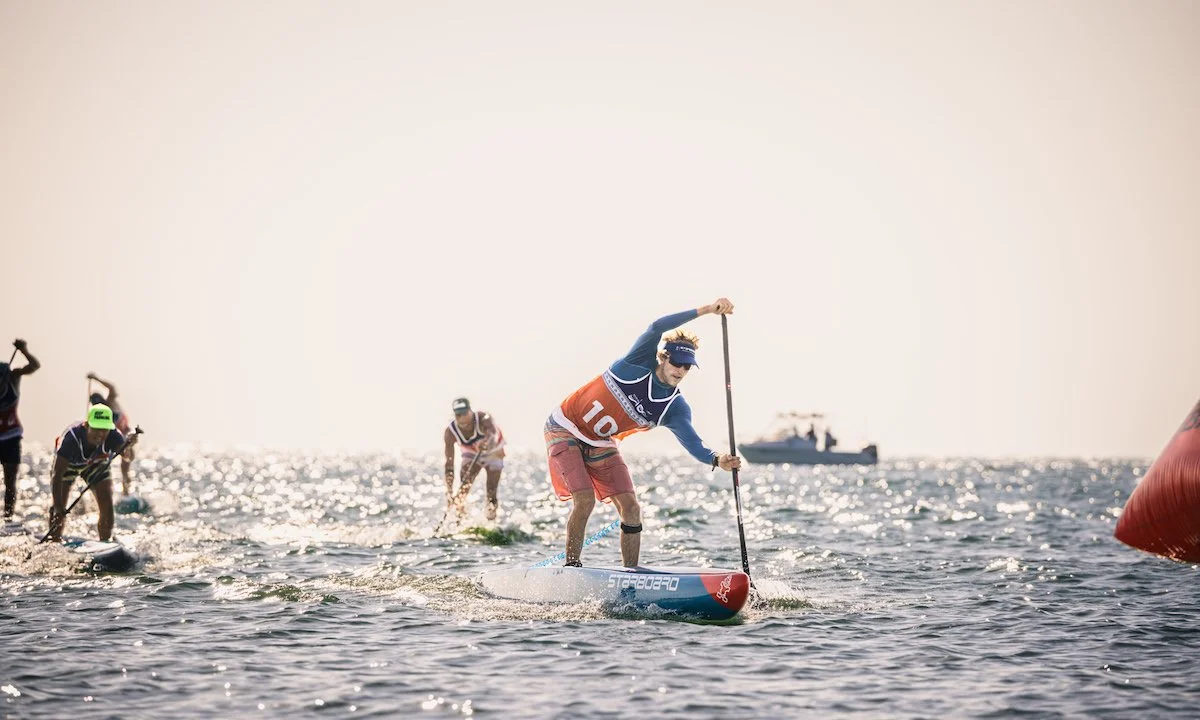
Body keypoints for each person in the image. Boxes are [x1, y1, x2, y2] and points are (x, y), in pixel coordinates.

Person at [545, 298, 742, 568]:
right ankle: (571, 567)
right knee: (585, 500)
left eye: (687, 366)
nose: (681, 370)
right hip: (565, 426)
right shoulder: (637, 362)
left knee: (631, 508)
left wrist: (718, 459)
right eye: (677, 362)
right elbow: (657, 326)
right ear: (663, 357)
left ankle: (631, 575)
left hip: (600, 441)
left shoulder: (674, 408)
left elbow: (694, 443)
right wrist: (707, 310)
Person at [46, 404, 137, 542]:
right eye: (96, 428)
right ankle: (54, 540)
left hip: (95, 465)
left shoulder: (114, 436)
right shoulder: (71, 439)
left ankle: (105, 542)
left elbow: (128, 457)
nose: (100, 434)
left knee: (107, 502)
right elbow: (57, 475)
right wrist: (58, 509)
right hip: (69, 466)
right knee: (59, 505)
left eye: (104, 429)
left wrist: (129, 446)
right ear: (87, 425)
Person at [443, 397, 506, 522]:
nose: (462, 418)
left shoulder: (484, 418)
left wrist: (486, 443)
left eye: (464, 413)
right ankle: (460, 520)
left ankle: (491, 520)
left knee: (491, 490)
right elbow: (449, 465)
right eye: (458, 415)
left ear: (470, 411)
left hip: (494, 452)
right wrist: (449, 492)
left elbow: (493, 434)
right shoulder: (450, 432)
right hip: (471, 454)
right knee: (463, 488)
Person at [1, 339, 41, 519]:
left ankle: (8, 517)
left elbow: (34, 366)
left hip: (11, 437)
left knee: (10, 481)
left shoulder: (14, 377)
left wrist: (24, 350)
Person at [87, 373, 136, 495]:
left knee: (126, 463)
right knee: (103, 463)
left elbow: (112, 387)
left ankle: (126, 490)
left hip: (125, 432)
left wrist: (96, 379)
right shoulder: (98, 415)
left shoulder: (111, 401)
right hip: (112, 437)